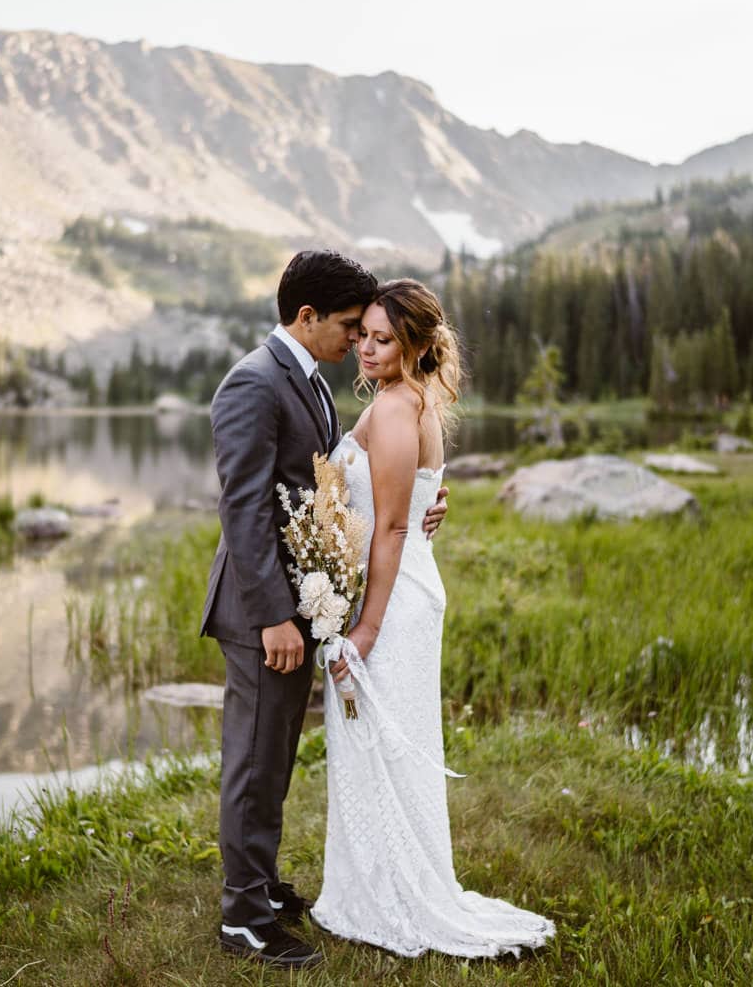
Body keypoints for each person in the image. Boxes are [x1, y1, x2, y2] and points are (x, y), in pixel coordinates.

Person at [200, 251, 449, 969]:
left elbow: (335, 486)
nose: (355, 342)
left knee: (274, 751)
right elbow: (244, 507)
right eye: (348, 327)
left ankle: (263, 884)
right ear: (306, 318)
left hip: (300, 605)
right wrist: (277, 615)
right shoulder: (252, 383)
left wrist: (421, 493)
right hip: (263, 612)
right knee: (253, 757)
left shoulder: (306, 378)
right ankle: (244, 919)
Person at [311, 278, 555, 957]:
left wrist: (364, 627)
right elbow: (411, 509)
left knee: (381, 740)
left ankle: (388, 895)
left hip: (392, 603)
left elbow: (390, 527)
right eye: (363, 334)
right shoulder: (412, 403)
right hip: (409, 587)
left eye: (383, 339)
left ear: (415, 344)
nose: (365, 347)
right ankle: (383, 881)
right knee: (391, 743)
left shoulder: (394, 410)